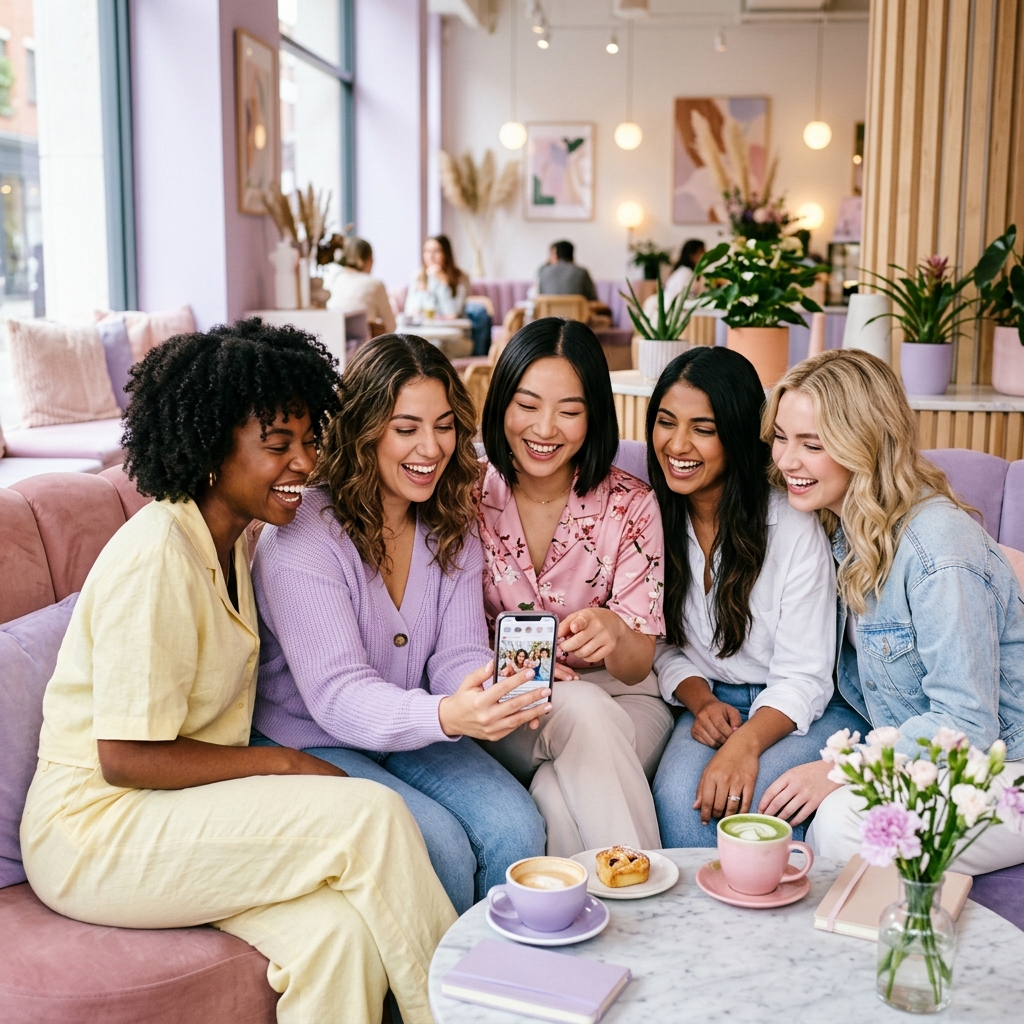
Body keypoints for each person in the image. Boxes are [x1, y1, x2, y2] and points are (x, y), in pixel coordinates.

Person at [19, 319, 454, 1024]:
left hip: (167, 815)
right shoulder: (159, 556)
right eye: (276, 446)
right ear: (212, 448)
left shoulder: (232, 544)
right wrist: (281, 765)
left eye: (309, 441)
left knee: (338, 939)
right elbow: (125, 756)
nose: (303, 465)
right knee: (370, 818)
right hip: (95, 833)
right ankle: (467, 1011)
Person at [251, 333, 548, 914]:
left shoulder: (450, 521)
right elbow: (337, 696)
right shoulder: (301, 535)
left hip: (413, 728)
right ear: (364, 432)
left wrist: (487, 692)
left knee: (517, 828)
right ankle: (438, 1000)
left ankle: (503, 989)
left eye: (443, 425)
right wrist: (445, 714)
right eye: (406, 428)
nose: (431, 447)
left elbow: (456, 653)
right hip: (313, 739)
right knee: (438, 848)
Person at [764, 349, 1024, 873]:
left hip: (1005, 766)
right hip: (931, 757)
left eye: (812, 444)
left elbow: (967, 722)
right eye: (781, 436)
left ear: (867, 446)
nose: (787, 461)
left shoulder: (936, 546)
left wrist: (841, 770)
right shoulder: (846, 527)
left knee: (842, 821)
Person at [648, 347, 869, 847]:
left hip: (800, 709)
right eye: (666, 422)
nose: (678, 444)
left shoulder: (792, 523)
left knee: (748, 816)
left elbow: (806, 675)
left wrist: (745, 746)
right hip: (709, 701)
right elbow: (656, 643)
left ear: (740, 435)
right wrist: (699, 699)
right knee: (684, 812)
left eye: (703, 429)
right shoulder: (651, 515)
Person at [474, 316, 671, 857]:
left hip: (625, 700)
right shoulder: (464, 497)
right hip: (508, 706)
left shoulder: (631, 503)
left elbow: (637, 664)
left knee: (556, 799)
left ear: (594, 416)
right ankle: (648, 906)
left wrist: (615, 632)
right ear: (501, 405)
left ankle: (573, 933)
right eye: (528, 405)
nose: (545, 429)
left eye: (570, 411)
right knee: (578, 710)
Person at [325, 237, 396, 334]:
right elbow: (391, 326)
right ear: (370, 259)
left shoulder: (332, 281)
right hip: (362, 346)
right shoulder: (375, 284)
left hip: (332, 340)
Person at [642, 238, 706, 322]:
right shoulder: (684, 272)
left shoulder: (691, 272)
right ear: (692, 254)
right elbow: (678, 298)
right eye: (702, 252)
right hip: (672, 314)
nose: (704, 255)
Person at [405, 235, 468, 318]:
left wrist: (443, 285)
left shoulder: (460, 277)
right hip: (425, 328)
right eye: (427, 251)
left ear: (446, 254)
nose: (431, 256)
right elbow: (410, 311)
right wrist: (424, 293)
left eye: (436, 251)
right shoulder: (418, 276)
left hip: (451, 329)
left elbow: (452, 314)